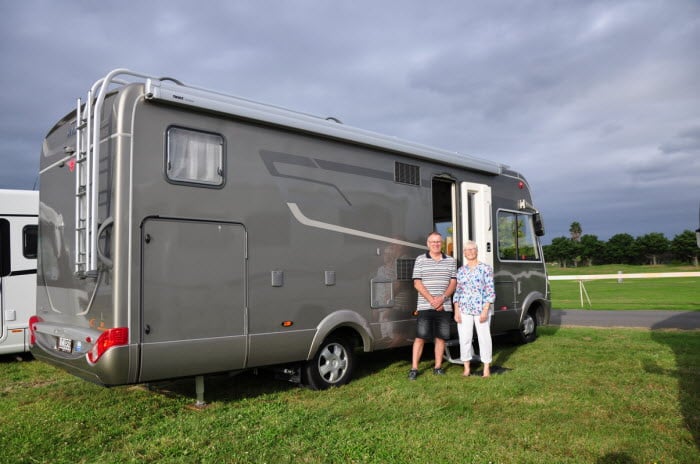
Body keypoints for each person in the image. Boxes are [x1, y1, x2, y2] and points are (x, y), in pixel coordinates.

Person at [408, 231, 457, 380]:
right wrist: (432, 301)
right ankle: (414, 368)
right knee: (420, 337)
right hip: (424, 305)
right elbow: (417, 283)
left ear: (441, 243)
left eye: (438, 241)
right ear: (428, 244)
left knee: (441, 338)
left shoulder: (451, 260)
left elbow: (453, 283)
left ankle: (437, 367)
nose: (435, 244)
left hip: (444, 306)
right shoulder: (420, 260)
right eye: (432, 241)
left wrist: (441, 299)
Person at [453, 241, 496, 377]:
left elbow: (490, 290)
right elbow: (458, 291)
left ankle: (486, 368)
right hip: (464, 309)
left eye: (473, 249)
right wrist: (456, 310)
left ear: (477, 251)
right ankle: (466, 368)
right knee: (464, 338)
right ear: (464, 253)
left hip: (481, 309)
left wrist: (485, 309)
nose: (470, 252)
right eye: (467, 250)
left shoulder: (485, 268)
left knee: (484, 338)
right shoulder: (461, 271)